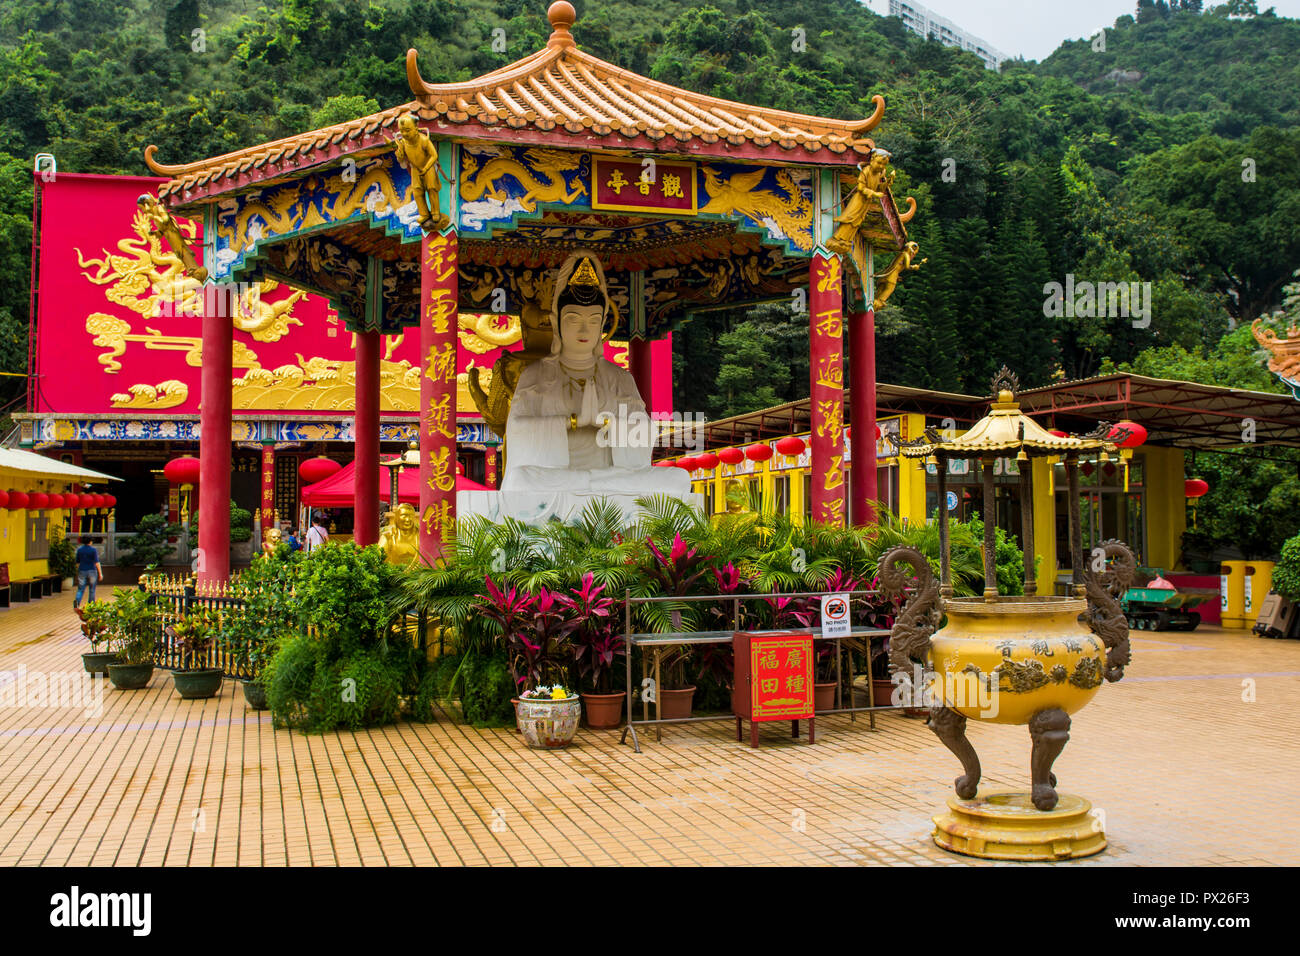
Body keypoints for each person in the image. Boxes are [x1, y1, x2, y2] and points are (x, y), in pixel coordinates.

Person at [500, 252, 690, 496]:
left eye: (593, 320)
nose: (584, 328)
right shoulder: (535, 375)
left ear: (602, 324)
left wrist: (609, 423)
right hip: (558, 479)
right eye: (573, 319)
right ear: (555, 321)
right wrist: (573, 422)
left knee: (678, 478)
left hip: (609, 477)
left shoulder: (620, 378)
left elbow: (645, 432)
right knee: (521, 481)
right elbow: (517, 429)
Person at [73, 536, 102, 609]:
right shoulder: (93, 550)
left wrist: (77, 571)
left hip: (82, 570)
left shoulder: (80, 550)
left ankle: (77, 602)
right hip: (92, 570)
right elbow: (97, 562)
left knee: (80, 589)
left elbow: (77, 562)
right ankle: (91, 605)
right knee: (92, 589)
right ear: (90, 541)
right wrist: (100, 573)